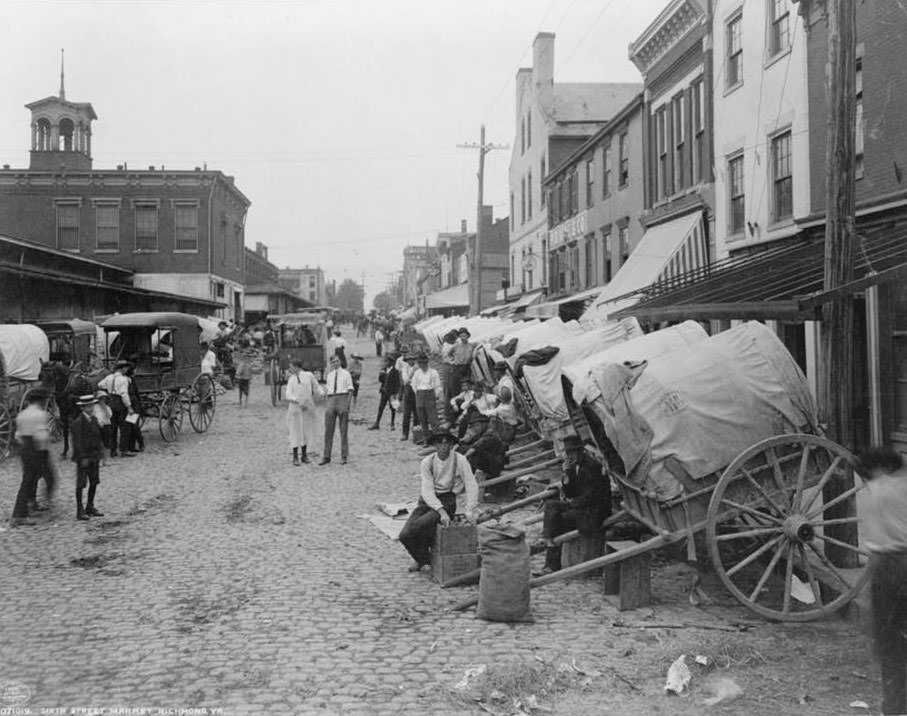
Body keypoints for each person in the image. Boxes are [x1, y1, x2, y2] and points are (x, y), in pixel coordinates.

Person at [855, 448, 907, 715]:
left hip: (887, 568)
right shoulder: (904, 487)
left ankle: (894, 708)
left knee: (891, 646)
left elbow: (874, 546)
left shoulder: (870, 495)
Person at [398, 429, 479, 572]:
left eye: (447, 443)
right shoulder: (427, 462)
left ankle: (425, 561)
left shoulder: (460, 460)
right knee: (405, 534)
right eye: (440, 443)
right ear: (434, 445)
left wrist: (470, 509)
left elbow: (471, 484)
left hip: (448, 499)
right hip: (428, 500)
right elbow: (427, 491)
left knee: (423, 525)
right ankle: (422, 558)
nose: (444, 446)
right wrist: (441, 512)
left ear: (451, 444)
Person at [536, 435, 611, 574]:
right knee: (551, 505)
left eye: (572, 452)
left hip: (595, 512)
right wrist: (567, 473)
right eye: (568, 453)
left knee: (559, 521)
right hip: (583, 506)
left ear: (580, 451)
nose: (569, 456)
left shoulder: (593, 466)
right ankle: (547, 538)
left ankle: (551, 564)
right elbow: (570, 493)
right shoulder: (576, 466)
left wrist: (571, 504)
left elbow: (592, 496)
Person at [10, 389, 53, 526]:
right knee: (32, 480)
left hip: (25, 447)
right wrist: (43, 455)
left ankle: (30, 504)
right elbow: (42, 436)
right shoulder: (41, 415)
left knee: (29, 478)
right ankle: (19, 515)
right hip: (37, 448)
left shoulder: (22, 414)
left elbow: (17, 435)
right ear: (41, 401)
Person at [71, 394, 105, 521]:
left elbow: (98, 438)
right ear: (82, 408)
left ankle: (90, 506)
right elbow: (77, 442)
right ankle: (80, 510)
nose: (90, 408)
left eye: (92, 405)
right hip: (84, 457)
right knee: (81, 484)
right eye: (87, 406)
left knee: (94, 481)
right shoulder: (78, 423)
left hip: (94, 456)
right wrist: (82, 457)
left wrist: (101, 454)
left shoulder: (94, 420)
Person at [97, 360, 136, 458]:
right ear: (122, 369)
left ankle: (113, 451)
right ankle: (124, 450)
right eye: (126, 368)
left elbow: (100, 385)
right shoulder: (124, 380)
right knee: (124, 427)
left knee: (113, 428)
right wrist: (129, 407)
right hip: (120, 403)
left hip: (111, 402)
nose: (127, 370)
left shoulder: (109, 377)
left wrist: (109, 390)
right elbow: (124, 394)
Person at [320, 355, 354, 465]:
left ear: (340, 362)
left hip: (342, 397)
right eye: (333, 362)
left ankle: (344, 455)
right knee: (328, 430)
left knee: (343, 430)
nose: (335, 363)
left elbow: (350, 389)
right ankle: (326, 456)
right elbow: (327, 389)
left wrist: (347, 404)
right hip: (331, 398)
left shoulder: (346, 373)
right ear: (331, 364)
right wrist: (327, 400)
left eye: (337, 361)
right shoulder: (329, 375)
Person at [285, 359, 317, 465]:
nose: (290, 369)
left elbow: (316, 386)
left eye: (291, 367)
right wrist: (298, 401)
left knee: (305, 430)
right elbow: (288, 394)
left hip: (306, 408)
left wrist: (322, 392)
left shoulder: (308, 376)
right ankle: (295, 457)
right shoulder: (291, 379)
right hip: (295, 409)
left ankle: (304, 455)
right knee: (294, 431)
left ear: (297, 367)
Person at [410, 354, 442, 443]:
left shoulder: (433, 372)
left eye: (424, 363)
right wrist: (419, 393)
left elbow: (438, 386)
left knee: (433, 419)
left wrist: (434, 395)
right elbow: (414, 385)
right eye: (420, 363)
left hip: (430, 394)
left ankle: (436, 438)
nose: (422, 365)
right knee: (422, 418)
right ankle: (426, 438)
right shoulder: (417, 373)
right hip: (420, 395)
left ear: (427, 363)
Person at [446, 328, 474, 422]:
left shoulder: (471, 346)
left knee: (467, 391)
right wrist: (452, 362)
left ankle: (466, 415)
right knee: (456, 391)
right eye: (461, 336)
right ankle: (454, 416)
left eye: (464, 336)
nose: (463, 338)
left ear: (468, 336)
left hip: (467, 368)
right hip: (457, 369)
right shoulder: (456, 346)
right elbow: (448, 354)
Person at [370, 355, 401, 431]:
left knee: (393, 408)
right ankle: (377, 423)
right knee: (381, 407)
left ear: (392, 362)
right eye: (386, 361)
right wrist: (381, 374)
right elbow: (380, 380)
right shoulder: (383, 370)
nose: (387, 363)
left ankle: (392, 424)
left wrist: (395, 393)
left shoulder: (395, 371)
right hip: (384, 391)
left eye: (388, 361)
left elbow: (397, 383)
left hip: (391, 392)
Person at [397, 350, 420, 442]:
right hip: (408, 392)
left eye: (412, 359)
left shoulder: (418, 368)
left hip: (416, 392)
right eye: (409, 359)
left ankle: (416, 434)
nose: (411, 361)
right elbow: (405, 380)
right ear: (407, 360)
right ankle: (404, 434)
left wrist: (412, 381)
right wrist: (411, 378)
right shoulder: (405, 368)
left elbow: (418, 380)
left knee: (417, 414)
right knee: (406, 414)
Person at [93, 389, 113, 466]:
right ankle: (100, 460)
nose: (103, 400)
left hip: (106, 425)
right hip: (98, 426)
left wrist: (104, 408)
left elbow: (109, 416)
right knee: (99, 444)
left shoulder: (108, 408)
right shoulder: (94, 407)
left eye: (104, 399)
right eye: (101, 399)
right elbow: (93, 417)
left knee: (107, 444)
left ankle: (106, 460)